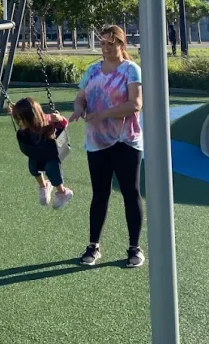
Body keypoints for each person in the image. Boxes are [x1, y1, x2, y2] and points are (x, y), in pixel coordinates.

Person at [69, 24, 145, 268]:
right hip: (97, 143)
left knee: (130, 193)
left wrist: (103, 114)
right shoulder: (91, 71)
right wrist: (79, 109)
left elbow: (135, 104)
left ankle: (134, 248)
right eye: (102, 43)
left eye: (110, 43)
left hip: (126, 142)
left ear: (121, 45)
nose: (105, 48)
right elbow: (81, 97)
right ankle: (93, 246)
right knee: (99, 194)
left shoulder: (131, 70)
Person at [9, 97, 73, 209]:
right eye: (17, 119)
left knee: (52, 170)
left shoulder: (48, 120)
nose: (18, 123)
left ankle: (63, 193)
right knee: (33, 168)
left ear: (31, 117)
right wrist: (15, 112)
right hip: (36, 152)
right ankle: (44, 186)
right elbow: (20, 118)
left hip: (51, 153)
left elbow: (64, 124)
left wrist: (59, 118)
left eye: (20, 119)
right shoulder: (24, 125)